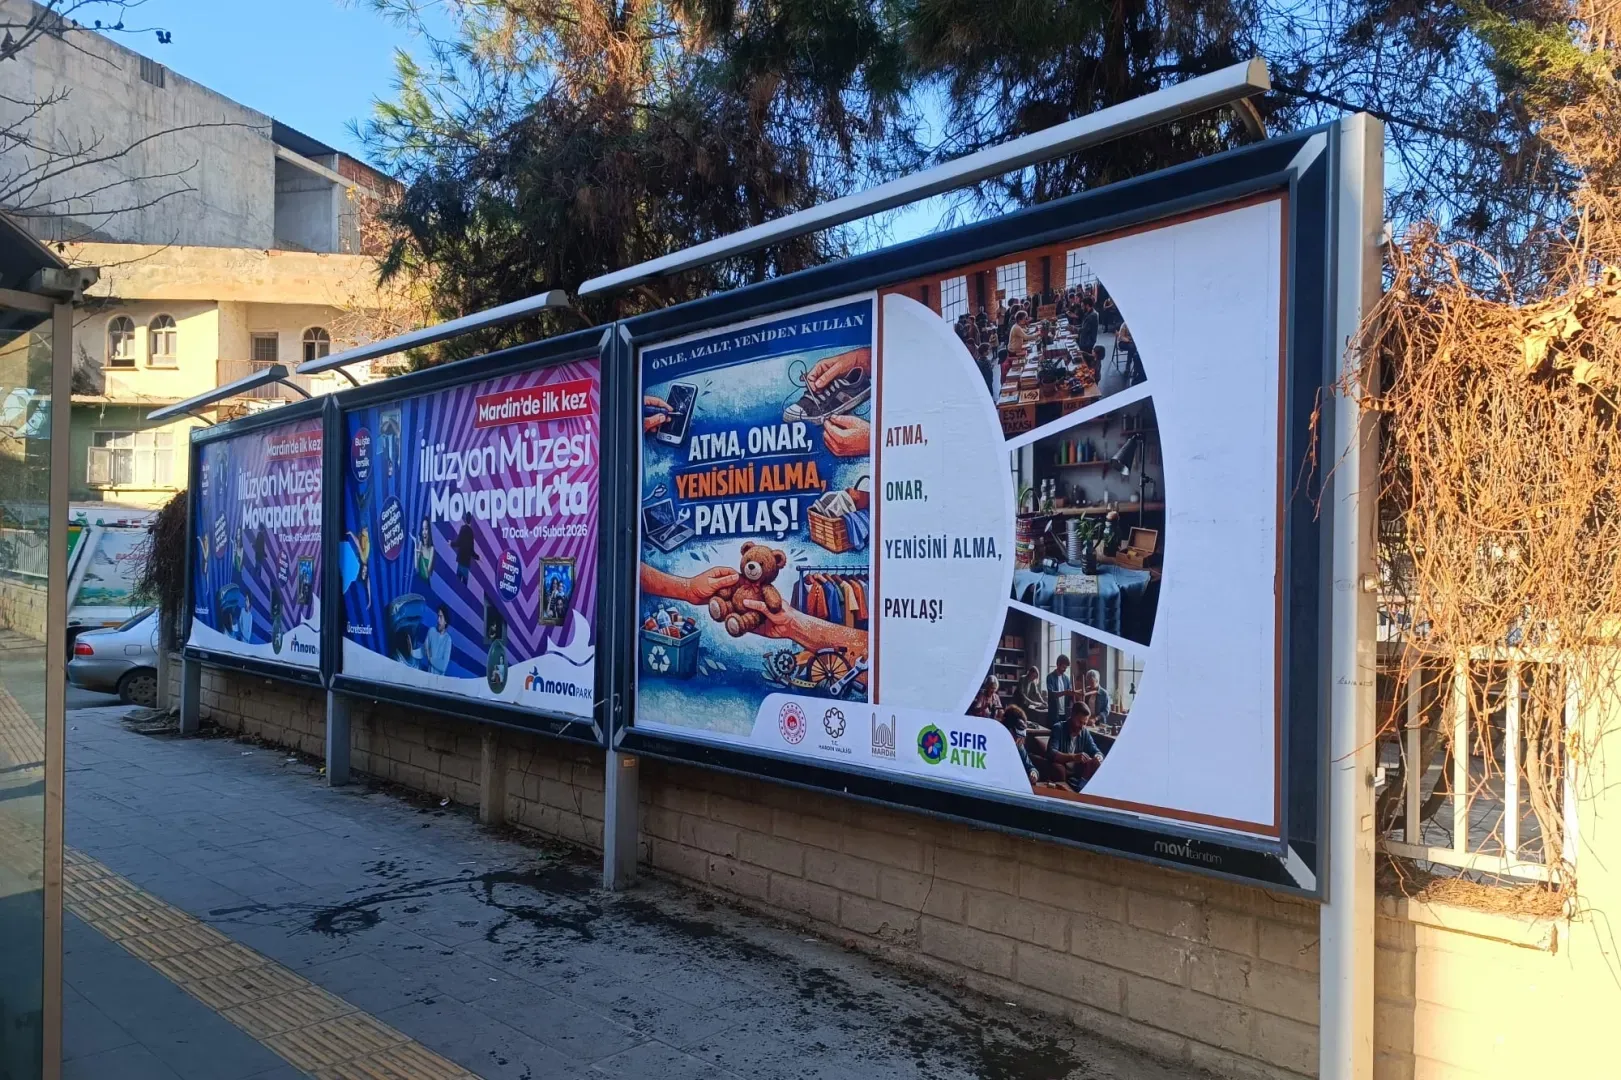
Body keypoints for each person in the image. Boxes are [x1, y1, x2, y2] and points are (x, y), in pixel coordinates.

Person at [423, 604, 453, 675]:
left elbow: (443, 666)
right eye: (438, 616)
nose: (438, 620)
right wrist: (412, 652)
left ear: (446, 621)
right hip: (428, 677)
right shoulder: (431, 631)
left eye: (441, 617)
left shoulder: (448, 639)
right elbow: (423, 650)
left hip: (439, 680)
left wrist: (430, 659)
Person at [453, 512, 478, 584]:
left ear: (465, 519)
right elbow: (471, 550)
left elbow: (458, 543)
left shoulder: (462, 529)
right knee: (464, 584)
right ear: (470, 520)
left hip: (461, 561)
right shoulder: (471, 532)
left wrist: (451, 543)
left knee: (457, 583)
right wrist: (477, 557)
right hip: (466, 563)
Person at [413, 517, 434, 582]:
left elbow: (427, 574)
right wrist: (415, 545)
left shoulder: (432, 549)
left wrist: (422, 555)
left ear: (429, 531)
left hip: (426, 583)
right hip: (418, 581)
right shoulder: (420, 544)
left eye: (426, 529)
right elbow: (416, 567)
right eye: (423, 529)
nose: (424, 532)